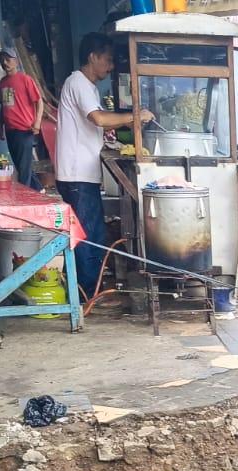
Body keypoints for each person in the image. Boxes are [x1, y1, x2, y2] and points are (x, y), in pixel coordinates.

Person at [57, 32, 153, 302]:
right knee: (87, 236)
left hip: (82, 173)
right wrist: (135, 117)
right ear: (93, 57)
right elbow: (99, 118)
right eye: (108, 60)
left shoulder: (87, 87)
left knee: (94, 233)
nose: (110, 66)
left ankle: (87, 291)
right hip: (76, 174)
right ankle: (84, 295)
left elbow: (98, 124)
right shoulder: (78, 82)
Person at [0, 49, 44, 189]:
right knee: (21, 165)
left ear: (16, 61)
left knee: (23, 170)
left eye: (8, 59)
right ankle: (39, 190)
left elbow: (39, 101)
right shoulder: (3, 82)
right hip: (10, 130)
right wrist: (0, 127)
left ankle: (25, 199)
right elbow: (3, 107)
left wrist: (38, 122)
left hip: (24, 130)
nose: (5, 63)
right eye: (2, 60)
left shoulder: (25, 80)